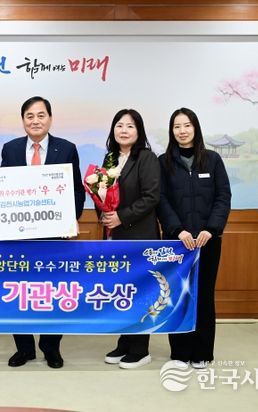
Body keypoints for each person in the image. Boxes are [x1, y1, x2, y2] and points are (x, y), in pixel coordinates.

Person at [0, 96, 85, 369]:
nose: (35, 121)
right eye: (29, 116)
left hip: (55, 236)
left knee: (53, 291)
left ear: (50, 118)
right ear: (23, 120)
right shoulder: (11, 149)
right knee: (18, 291)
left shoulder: (67, 148)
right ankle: (24, 349)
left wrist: (70, 220)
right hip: (18, 235)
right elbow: (2, 190)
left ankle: (51, 347)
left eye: (40, 115)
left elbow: (77, 191)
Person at [157, 107, 231, 369]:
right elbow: (161, 200)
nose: (182, 131)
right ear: (172, 131)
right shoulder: (163, 162)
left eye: (187, 125)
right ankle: (179, 352)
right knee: (177, 295)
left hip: (207, 241)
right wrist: (178, 230)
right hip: (177, 242)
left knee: (204, 295)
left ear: (196, 128)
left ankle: (202, 352)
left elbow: (223, 196)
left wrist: (211, 229)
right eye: (177, 126)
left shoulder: (212, 159)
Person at [100, 109, 160, 370]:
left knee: (141, 291)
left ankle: (140, 349)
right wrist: (105, 214)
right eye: (119, 125)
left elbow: (151, 197)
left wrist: (121, 217)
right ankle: (124, 342)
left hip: (139, 236)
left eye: (130, 126)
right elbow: (103, 194)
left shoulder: (146, 158)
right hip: (116, 236)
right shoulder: (110, 158)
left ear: (139, 131)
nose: (124, 130)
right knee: (122, 290)